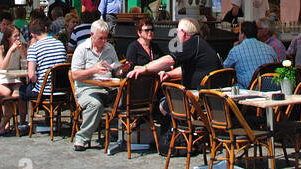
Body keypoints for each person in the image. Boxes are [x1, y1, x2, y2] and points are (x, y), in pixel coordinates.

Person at [129, 17, 223, 92]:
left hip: (200, 95)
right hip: (211, 95)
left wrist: (145, 68)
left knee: (163, 104)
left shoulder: (191, 43)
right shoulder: (198, 42)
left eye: (177, 32)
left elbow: (169, 60)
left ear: (183, 33)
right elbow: (185, 70)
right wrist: (169, 74)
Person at [69, 20, 121, 151]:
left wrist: (121, 69)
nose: (104, 41)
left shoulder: (109, 48)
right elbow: (75, 75)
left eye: (106, 38)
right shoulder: (82, 50)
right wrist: (94, 70)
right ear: (92, 35)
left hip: (108, 87)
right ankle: (82, 138)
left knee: (124, 100)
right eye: (100, 38)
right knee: (95, 104)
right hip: (87, 88)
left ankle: (114, 134)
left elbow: (116, 68)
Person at [0, 25, 28, 135]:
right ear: (8, 37)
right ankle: (5, 123)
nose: (17, 39)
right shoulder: (0, 48)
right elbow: (2, 66)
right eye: (15, 36)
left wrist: (21, 52)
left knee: (19, 94)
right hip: (2, 77)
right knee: (6, 93)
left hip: (15, 77)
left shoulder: (22, 46)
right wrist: (10, 51)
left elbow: (25, 63)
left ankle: (20, 122)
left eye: (18, 36)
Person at [223, 20, 279, 87]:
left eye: (239, 33)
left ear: (243, 35)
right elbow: (276, 65)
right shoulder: (269, 48)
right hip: (271, 87)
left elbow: (225, 69)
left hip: (249, 90)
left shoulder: (236, 50)